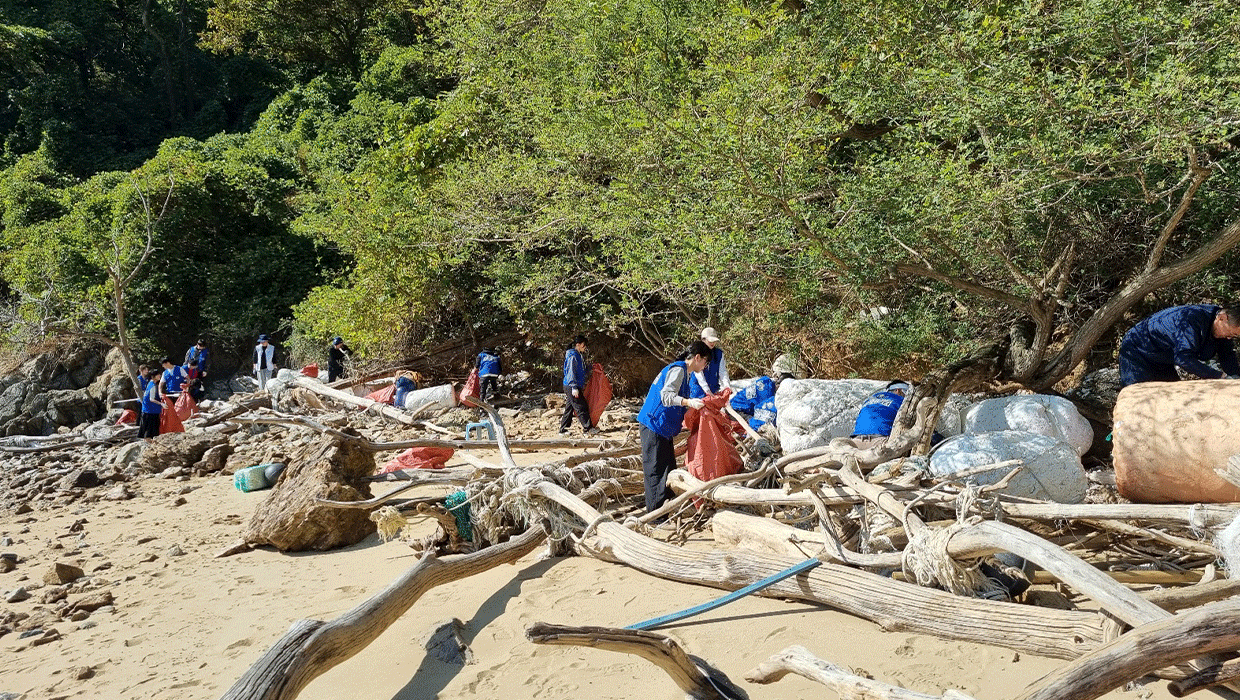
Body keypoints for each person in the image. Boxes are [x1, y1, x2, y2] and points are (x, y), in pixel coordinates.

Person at [638, 341, 710, 512]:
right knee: (656, 470)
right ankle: (655, 514)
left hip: (663, 427)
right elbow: (666, 397)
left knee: (668, 468)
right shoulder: (678, 370)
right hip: (654, 423)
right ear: (697, 358)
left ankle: (666, 507)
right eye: (705, 362)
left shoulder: (686, 374)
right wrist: (688, 402)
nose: (706, 366)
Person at [1119, 303, 1240, 386]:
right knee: (1139, 398)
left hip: (1163, 359)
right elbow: (1183, 359)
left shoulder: (1223, 329)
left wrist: (1236, 378)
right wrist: (1219, 376)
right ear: (1222, 318)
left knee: (1172, 399)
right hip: (1137, 352)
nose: (1229, 338)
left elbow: (1227, 356)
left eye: (1234, 336)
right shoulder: (1191, 320)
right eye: (1230, 333)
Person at [849, 381, 912, 449]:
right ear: (898, 390)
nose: (907, 396)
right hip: (880, 442)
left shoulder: (870, 399)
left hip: (856, 441)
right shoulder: (902, 400)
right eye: (906, 392)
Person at [560, 335, 598, 435]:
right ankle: (588, 428)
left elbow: (581, 370)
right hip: (571, 385)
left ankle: (562, 430)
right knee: (581, 406)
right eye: (584, 345)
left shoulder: (578, 355)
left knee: (570, 408)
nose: (585, 347)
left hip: (571, 385)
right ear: (578, 345)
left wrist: (591, 367)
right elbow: (570, 372)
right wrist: (574, 387)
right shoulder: (573, 356)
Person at [687, 327, 730, 399]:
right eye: (710, 341)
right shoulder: (697, 353)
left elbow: (722, 371)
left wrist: (727, 386)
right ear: (703, 340)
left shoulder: (718, 353)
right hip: (698, 391)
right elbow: (698, 374)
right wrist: (707, 390)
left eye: (714, 341)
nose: (712, 343)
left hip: (713, 389)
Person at [137, 365, 162, 441]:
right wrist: (161, 404)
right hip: (151, 411)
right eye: (158, 375)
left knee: (148, 429)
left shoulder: (150, 383)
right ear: (154, 376)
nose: (160, 376)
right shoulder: (153, 385)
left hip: (148, 410)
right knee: (150, 430)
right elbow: (152, 399)